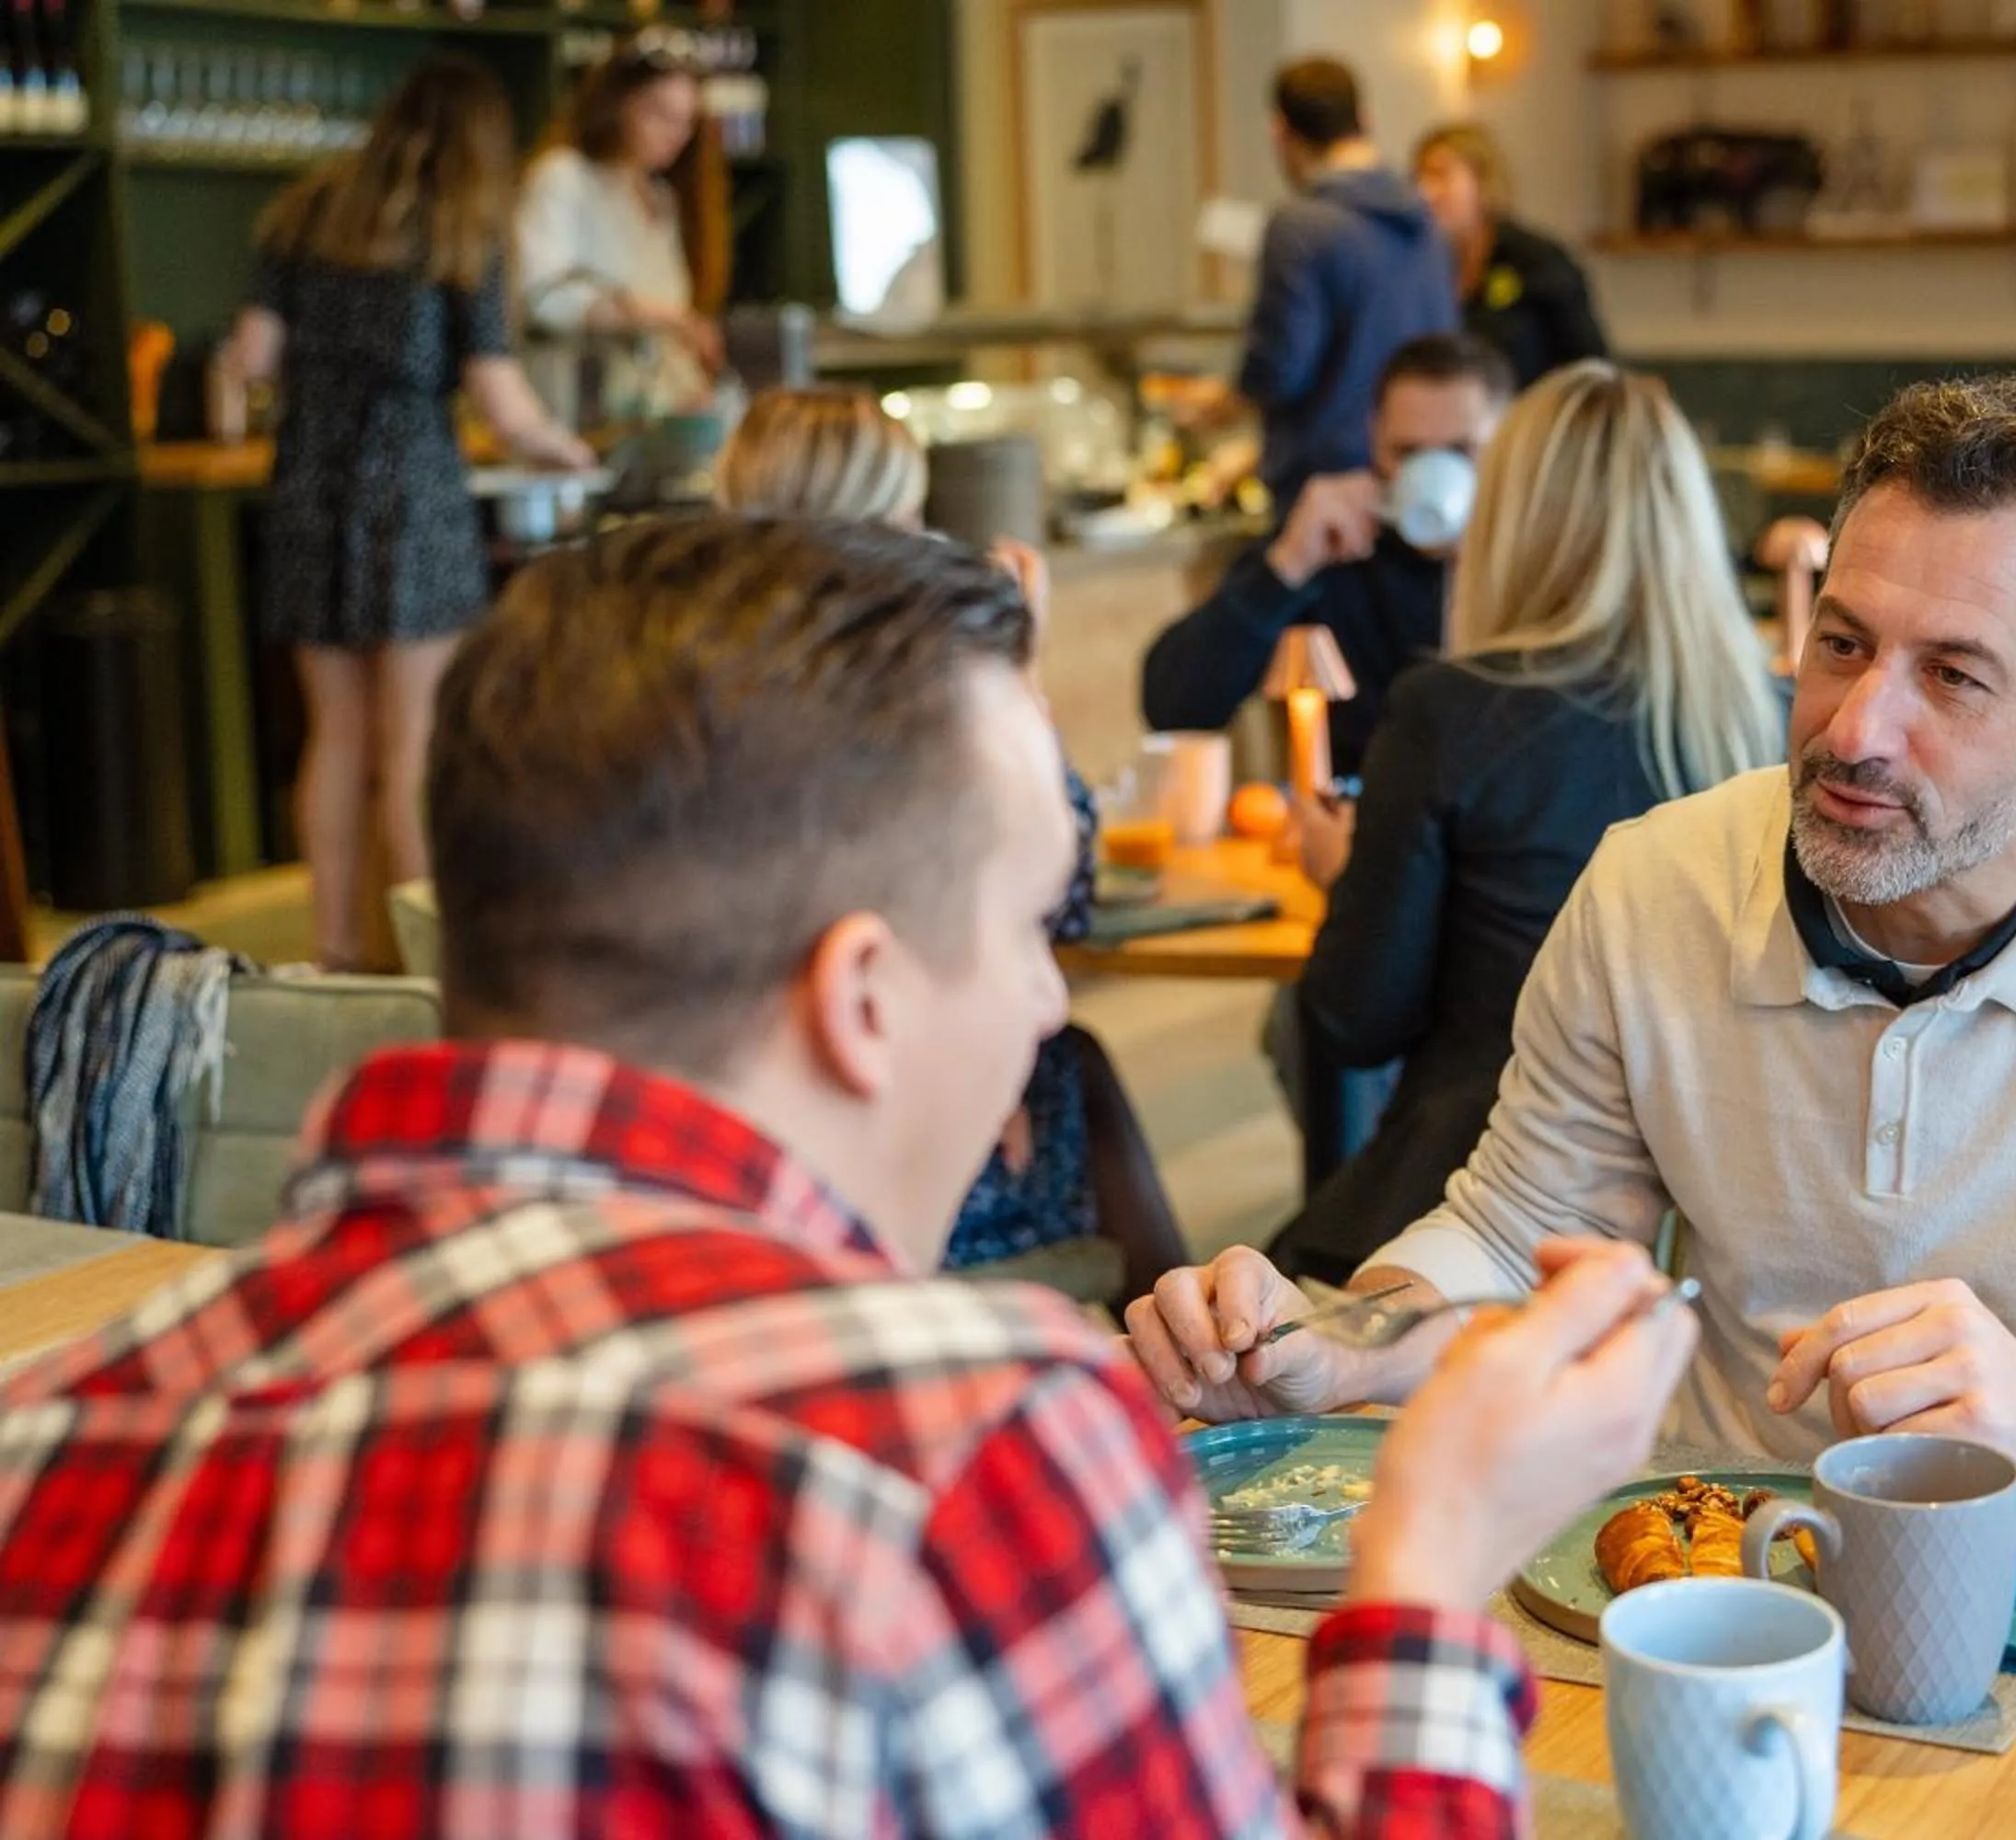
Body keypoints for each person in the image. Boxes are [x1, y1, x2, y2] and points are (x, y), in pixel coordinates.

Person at [0, 516, 1700, 1836]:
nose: (1050, 999)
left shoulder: (48, 1434)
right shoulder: (973, 1457)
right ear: (862, 1000)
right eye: (1037, 930)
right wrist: (1424, 1564)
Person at [1130, 377, 2016, 1561]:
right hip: (1704, 1556)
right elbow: (1514, 1238)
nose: (1856, 730)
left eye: (1951, 677)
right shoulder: (1655, 886)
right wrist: (1329, 1346)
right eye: (1841, 644)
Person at [1271, 362, 1784, 1282]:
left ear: (1505, 522)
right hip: (1714, 1232)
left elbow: (1355, 1020)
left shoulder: (1453, 711)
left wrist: (1342, 871)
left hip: (1479, 1211)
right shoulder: (1777, 719)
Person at [715, 386, 1187, 1303]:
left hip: (752, 1088)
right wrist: (1015, 671)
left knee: (1074, 1063)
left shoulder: (717, 672)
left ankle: (1186, 1345)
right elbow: (1065, 882)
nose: (927, 537)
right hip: (867, 1114)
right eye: (907, 513)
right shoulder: (890, 692)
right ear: (866, 527)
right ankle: (1192, 1366)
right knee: (1072, 1066)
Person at [221, 52, 593, 972]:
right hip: (412, 487)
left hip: (309, 478)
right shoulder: (462, 231)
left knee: (335, 732)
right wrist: (569, 450)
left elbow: (253, 358)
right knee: (414, 734)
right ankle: (427, 958)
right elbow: (502, 402)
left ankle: (335, 950)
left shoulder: (306, 212)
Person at [1142, 332, 1509, 779]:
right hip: (1359, 825)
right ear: (1374, 438)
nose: (1432, 474)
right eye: (1408, 453)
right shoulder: (1334, 547)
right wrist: (1287, 566)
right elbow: (1173, 708)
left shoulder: (1538, 559)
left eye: (1459, 452)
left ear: (1507, 444)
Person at [1237, 57, 1458, 510]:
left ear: (1281, 133)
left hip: (1328, 490)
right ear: (1365, 118)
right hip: (1423, 476)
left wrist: (1226, 400)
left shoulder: (1301, 225)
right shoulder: (1424, 219)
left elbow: (1280, 369)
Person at [517, 39, 718, 420]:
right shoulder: (564, 177)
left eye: (686, 120)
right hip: (574, 418)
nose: (675, 133)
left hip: (649, 419)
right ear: (617, 104)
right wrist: (659, 315)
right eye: (659, 113)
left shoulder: (661, 197)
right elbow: (542, 298)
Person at [1412, 121, 1609, 389]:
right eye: (1419, 178)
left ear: (1482, 180)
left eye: (1440, 176)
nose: (1425, 192)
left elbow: (1590, 364)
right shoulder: (1424, 264)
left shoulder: (1537, 260)